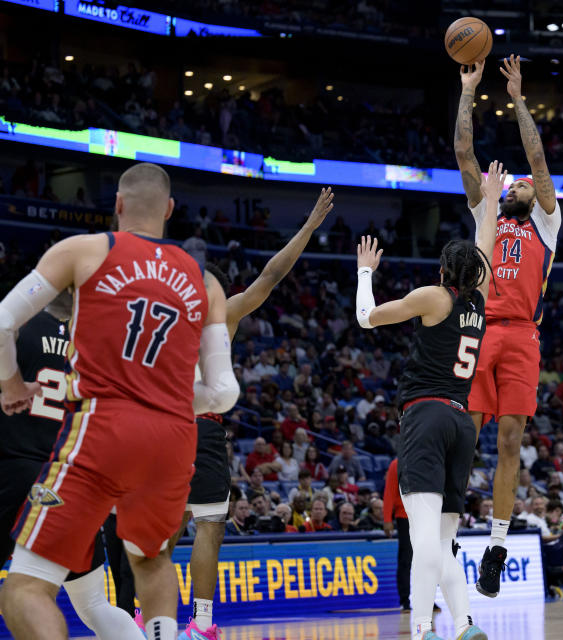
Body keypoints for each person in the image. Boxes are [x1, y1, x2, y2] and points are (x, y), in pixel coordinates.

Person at [0, 162, 239, 640]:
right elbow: (223, 392)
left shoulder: (83, 250)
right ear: (169, 209)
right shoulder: (204, 279)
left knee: (25, 589)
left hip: (103, 427)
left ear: (117, 204)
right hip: (174, 439)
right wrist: (167, 400)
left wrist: (10, 386)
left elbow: (3, 320)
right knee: (151, 560)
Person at [174, 187, 333, 640]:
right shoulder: (225, 314)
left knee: (162, 530)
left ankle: (155, 618)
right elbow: (272, 274)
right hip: (199, 427)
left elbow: (271, 273)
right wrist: (308, 227)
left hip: (161, 427)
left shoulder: (166, 309)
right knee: (207, 524)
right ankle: (199, 624)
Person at [354, 161, 504, 640]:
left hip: (426, 414)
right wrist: (492, 199)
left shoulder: (432, 297)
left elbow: (366, 318)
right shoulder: (479, 300)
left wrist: (364, 271)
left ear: (443, 271)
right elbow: (488, 242)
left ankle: (421, 630)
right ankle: (462, 624)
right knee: (444, 540)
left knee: (423, 539)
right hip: (463, 422)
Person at [455, 57, 563, 597]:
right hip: (480, 327)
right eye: (514, 183)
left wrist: (518, 97)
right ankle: (451, 532)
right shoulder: (487, 214)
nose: (519, 184)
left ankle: (496, 546)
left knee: (511, 440)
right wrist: (469, 91)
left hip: (522, 332)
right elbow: (463, 153)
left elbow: (538, 160)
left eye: (523, 183)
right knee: (466, 436)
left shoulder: (546, 219)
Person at [0, 291, 143, 639]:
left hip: (12, 470)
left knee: (22, 596)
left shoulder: (16, 324)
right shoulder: (95, 343)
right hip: (68, 481)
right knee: (94, 605)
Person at [383, 457, 413, 610]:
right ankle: (405, 599)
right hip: (404, 516)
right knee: (406, 559)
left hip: (425, 515)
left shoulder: (426, 459)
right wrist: (387, 518)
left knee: (426, 560)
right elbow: (389, 491)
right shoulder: (396, 464)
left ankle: (427, 599)